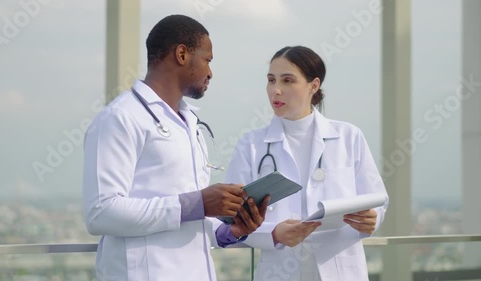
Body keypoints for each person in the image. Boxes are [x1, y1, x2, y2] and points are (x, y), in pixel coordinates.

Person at [82, 15, 268, 281]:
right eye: (207, 60)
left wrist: (233, 230)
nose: (210, 73)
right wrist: (198, 203)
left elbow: (188, 220)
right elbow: (100, 213)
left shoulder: (189, 121)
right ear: (182, 54)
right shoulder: (120, 118)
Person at [225, 46, 389, 281]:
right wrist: (273, 234)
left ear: (314, 85)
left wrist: (373, 219)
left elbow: (377, 200)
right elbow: (230, 219)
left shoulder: (348, 137)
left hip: (340, 270)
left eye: (288, 80)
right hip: (278, 271)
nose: (276, 90)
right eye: (271, 80)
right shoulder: (250, 145)